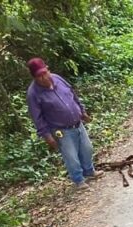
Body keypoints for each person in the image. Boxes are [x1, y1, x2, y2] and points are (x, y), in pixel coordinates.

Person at [25, 57, 97, 189]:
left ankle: (89, 171)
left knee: (87, 148)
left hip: (77, 122)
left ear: (48, 69)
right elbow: (37, 117)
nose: (43, 77)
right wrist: (47, 136)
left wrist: (82, 111)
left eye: (44, 73)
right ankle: (78, 180)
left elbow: (72, 94)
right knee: (71, 157)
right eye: (39, 76)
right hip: (60, 130)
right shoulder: (33, 94)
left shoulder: (57, 78)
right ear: (34, 77)